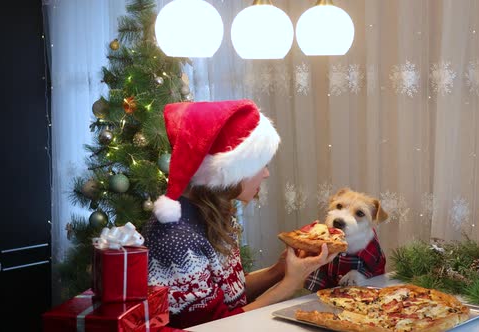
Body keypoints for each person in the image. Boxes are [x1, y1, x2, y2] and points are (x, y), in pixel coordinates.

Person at [142, 100, 337, 329]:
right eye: (259, 165)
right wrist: (289, 284)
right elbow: (214, 326)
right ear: (230, 172)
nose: (265, 174)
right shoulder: (176, 238)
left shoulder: (214, 214)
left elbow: (230, 296)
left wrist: (280, 269)